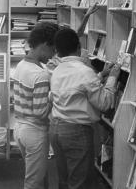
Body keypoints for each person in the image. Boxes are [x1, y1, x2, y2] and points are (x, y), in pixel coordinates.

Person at [49, 28, 121, 189]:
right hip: (76, 131)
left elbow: (76, 87)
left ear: (57, 51)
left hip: (55, 128)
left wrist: (101, 75)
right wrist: (112, 78)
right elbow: (104, 103)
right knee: (80, 182)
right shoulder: (85, 71)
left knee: (64, 179)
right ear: (79, 47)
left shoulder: (57, 69)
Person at [12, 21, 60, 189]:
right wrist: (54, 96)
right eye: (53, 50)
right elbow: (40, 112)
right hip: (35, 131)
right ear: (45, 45)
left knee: (37, 178)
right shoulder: (40, 74)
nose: (53, 55)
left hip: (19, 128)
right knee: (33, 183)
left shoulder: (21, 65)